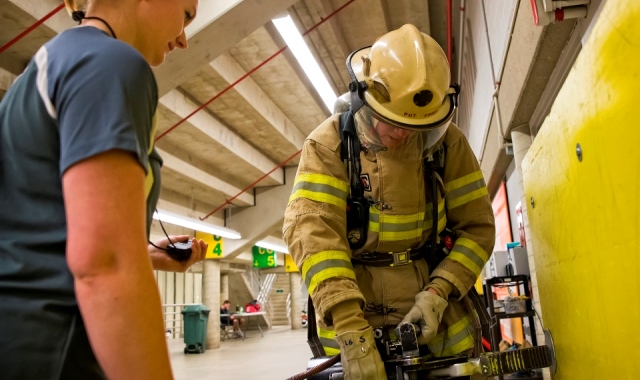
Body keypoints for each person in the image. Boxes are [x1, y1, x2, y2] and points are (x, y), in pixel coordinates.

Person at [0, 0, 207, 378]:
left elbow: (35, 237)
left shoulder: (52, 62)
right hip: (57, 349)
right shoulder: (111, 65)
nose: (183, 39)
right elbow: (104, 263)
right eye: (187, 14)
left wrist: (142, 254)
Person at [283, 24, 495, 379]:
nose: (402, 133)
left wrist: (438, 293)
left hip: (437, 326)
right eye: (390, 121)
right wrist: (350, 329)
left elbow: (477, 229)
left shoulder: (448, 146)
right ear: (363, 99)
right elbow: (316, 237)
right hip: (354, 325)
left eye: (416, 127)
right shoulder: (328, 145)